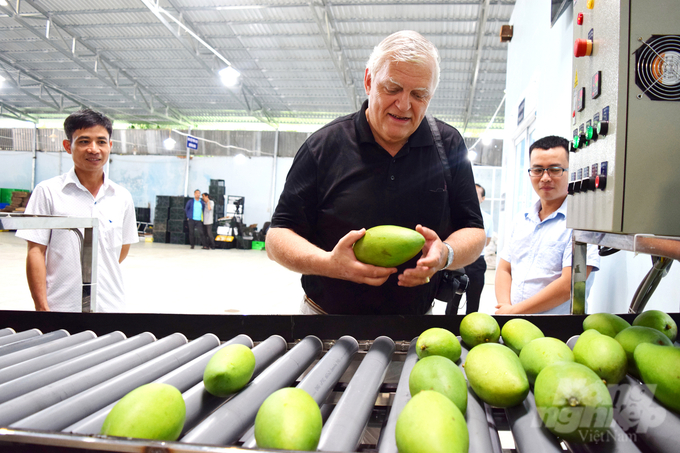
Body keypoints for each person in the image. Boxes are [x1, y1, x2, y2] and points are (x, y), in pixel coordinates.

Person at [266, 30, 486, 315]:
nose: (404, 105)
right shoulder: (324, 146)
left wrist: (446, 254)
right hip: (324, 323)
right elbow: (277, 237)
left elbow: (473, 231)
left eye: (419, 94)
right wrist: (329, 264)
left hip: (417, 325)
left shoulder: (448, 145)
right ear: (369, 81)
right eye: (392, 88)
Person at [16, 109, 138, 312]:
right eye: (83, 141)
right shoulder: (48, 192)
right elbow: (36, 251)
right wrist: (42, 307)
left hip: (111, 307)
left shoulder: (121, 196)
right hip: (61, 307)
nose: (93, 149)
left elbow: (122, 249)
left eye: (101, 141)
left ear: (110, 145)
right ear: (68, 146)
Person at [495, 135, 600, 314]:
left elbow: (570, 284)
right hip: (513, 323)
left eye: (555, 169)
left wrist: (514, 311)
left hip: (556, 330)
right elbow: (505, 268)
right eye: (537, 170)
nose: (545, 178)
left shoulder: (581, 223)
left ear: (571, 170)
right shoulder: (522, 219)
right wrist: (505, 307)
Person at [447, 183, 493, 315]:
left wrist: (471, 247)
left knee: (473, 299)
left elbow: (487, 241)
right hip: (458, 261)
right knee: (453, 299)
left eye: (476, 193)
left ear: (483, 198)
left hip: (477, 262)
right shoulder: (456, 215)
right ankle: (449, 327)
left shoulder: (488, 218)